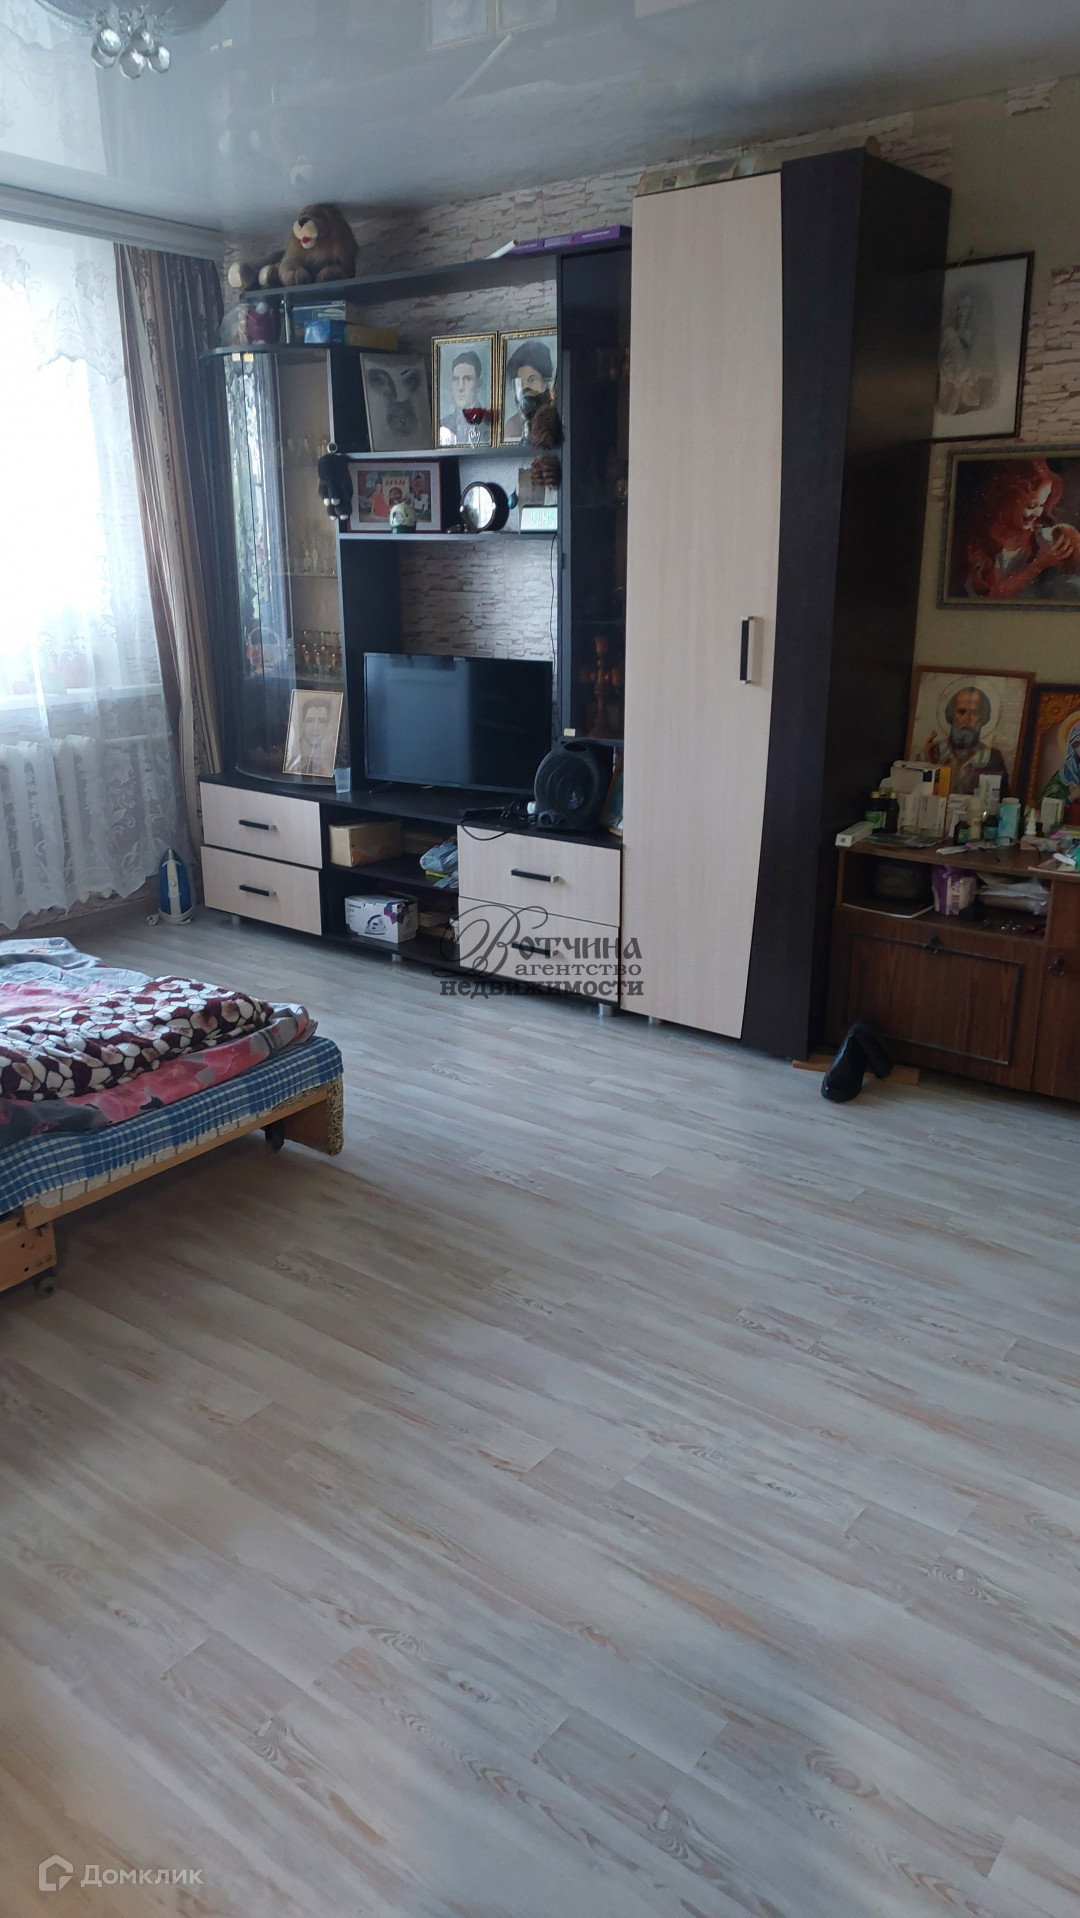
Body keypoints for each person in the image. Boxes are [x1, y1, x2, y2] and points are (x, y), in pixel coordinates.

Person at [960, 457, 1080, 600]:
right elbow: (994, 597)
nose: (1038, 513)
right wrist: (1039, 564)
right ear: (1005, 500)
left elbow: (1070, 548)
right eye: (1031, 506)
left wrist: (1067, 541)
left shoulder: (1038, 535)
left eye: (1041, 505)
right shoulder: (984, 544)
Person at [922, 686, 1009, 796]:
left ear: (983, 718)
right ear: (951, 715)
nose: (967, 720)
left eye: (975, 713)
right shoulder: (932, 751)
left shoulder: (992, 758)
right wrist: (929, 764)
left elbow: (999, 798)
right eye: (961, 712)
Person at [503, 338, 554, 441]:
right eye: (520, 383)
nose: (525, 388)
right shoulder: (513, 425)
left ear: (544, 382)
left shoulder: (555, 418)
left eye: (531, 380)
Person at [439, 348, 487, 444]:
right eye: (456, 379)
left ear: (478, 385)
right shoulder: (443, 425)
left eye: (467, 379)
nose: (460, 387)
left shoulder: (489, 424)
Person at [286, 695, 334, 777]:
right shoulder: (292, 752)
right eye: (310, 721)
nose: (316, 727)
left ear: (327, 725)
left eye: (321, 721)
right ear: (303, 723)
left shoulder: (331, 756)